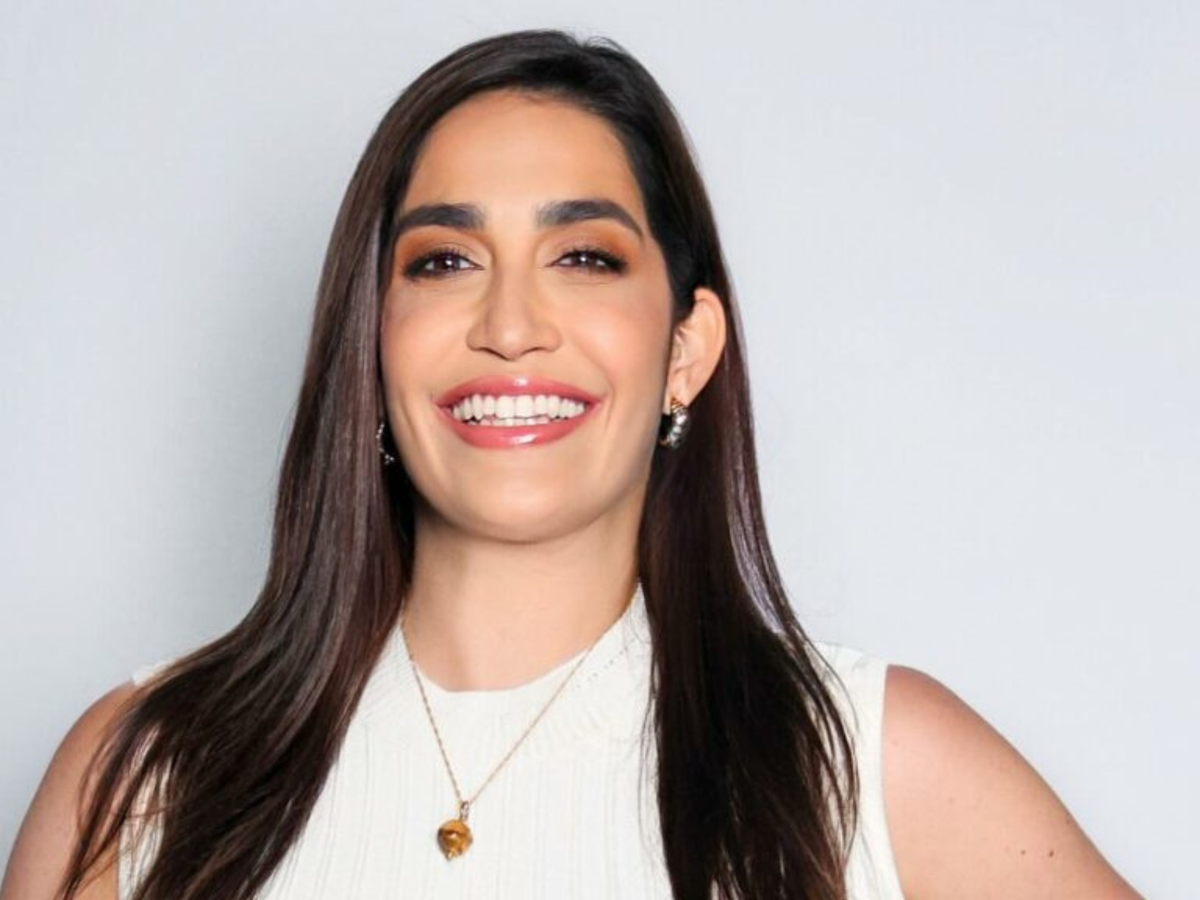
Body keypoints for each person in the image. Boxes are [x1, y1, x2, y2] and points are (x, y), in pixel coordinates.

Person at [2, 29, 1141, 900]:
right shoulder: (147, 772)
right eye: (445, 260)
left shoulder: (866, 765)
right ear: (371, 339)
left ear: (685, 350)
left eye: (585, 257)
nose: (510, 325)